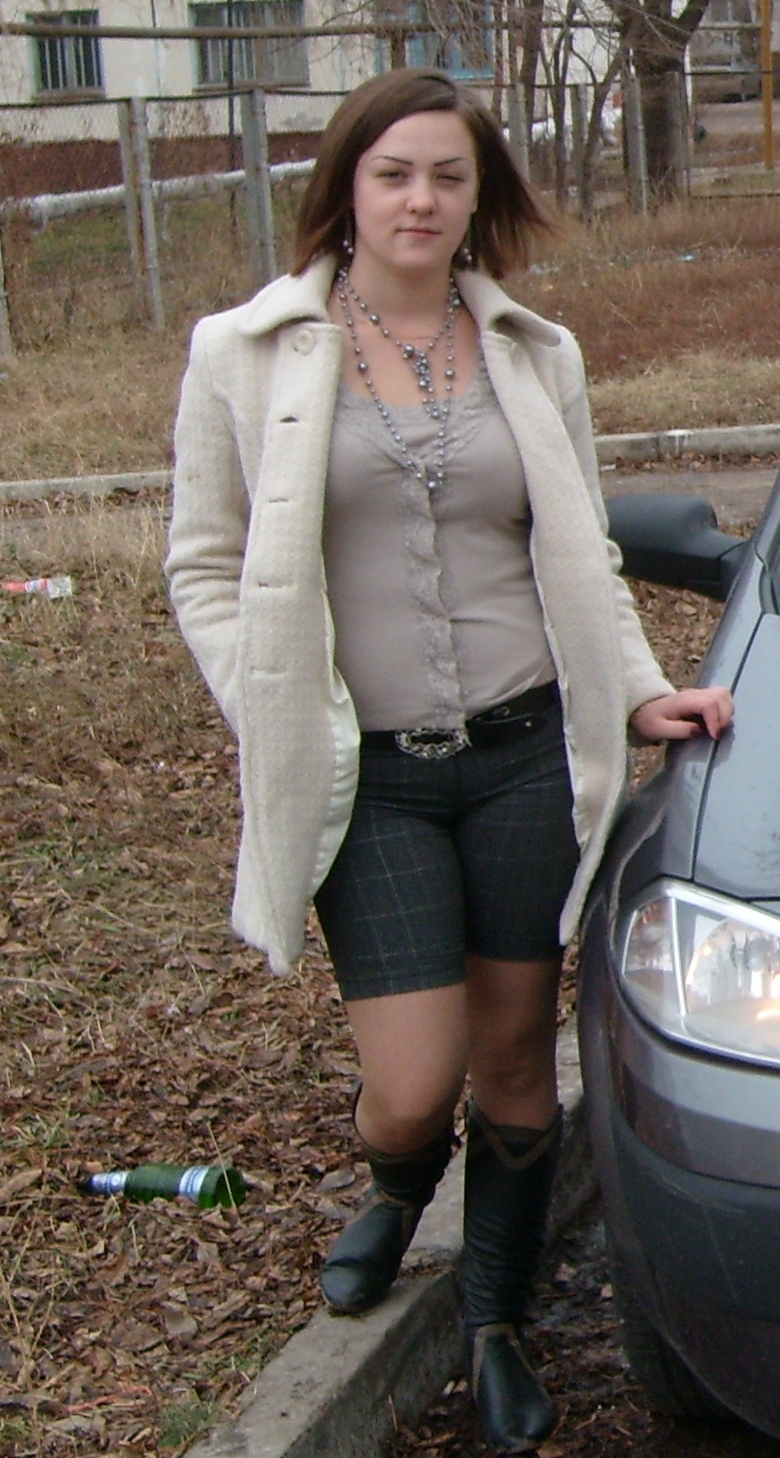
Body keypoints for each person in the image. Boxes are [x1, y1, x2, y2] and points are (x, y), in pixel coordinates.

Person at [166, 68, 734, 1455]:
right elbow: (203, 564)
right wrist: (269, 698)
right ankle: (398, 1177)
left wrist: (644, 692)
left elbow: (582, 552)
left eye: (448, 176)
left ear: (480, 198)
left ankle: (493, 1317)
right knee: (417, 1079)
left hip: (524, 751)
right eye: (394, 173)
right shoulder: (245, 351)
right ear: (347, 188)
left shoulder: (536, 352)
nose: (420, 200)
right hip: (370, 775)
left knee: (518, 1061)